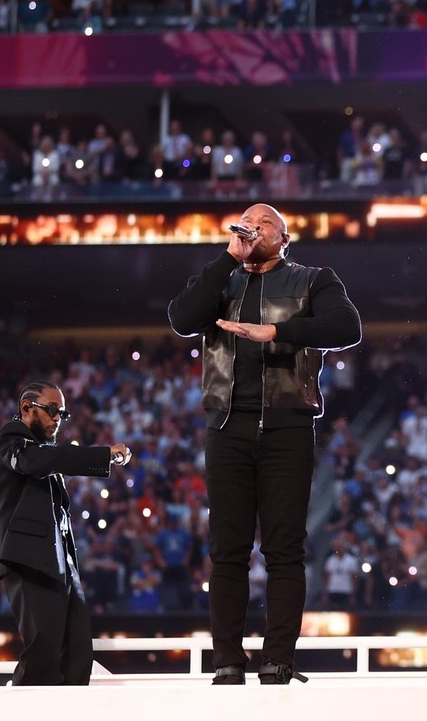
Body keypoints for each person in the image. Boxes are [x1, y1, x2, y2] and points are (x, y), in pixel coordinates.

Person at [168, 203, 361, 685]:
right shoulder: (220, 279)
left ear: (285, 238)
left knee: (283, 549)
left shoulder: (313, 279)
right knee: (227, 551)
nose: (253, 230)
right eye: (245, 225)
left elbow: (346, 327)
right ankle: (228, 661)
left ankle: (277, 660)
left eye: (264, 225)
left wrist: (277, 332)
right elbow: (182, 318)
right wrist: (226, 258)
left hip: (286, 425)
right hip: (226, 427)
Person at [0, 381, 129, 685]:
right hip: (29, 561)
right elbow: (36, 462)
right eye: (52, 410)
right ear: (27, 408)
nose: (57, 419)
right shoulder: (12, 437)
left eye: (62, 414)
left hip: (60, 564)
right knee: (43, 652)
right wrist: (102, 455)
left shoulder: (44, 451)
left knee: (77, 655)